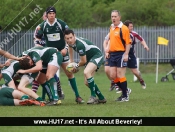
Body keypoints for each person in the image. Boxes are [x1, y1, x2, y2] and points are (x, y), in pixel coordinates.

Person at [35, 6, 84, 104]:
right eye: (50, 14)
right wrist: (43, 48)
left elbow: (68, 37)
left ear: (55, 14)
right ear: (47, 15)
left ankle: (78, 96)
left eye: (53, 13)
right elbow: (38, 38)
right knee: (44, 76)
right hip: (50, 55)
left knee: (69, 74)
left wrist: (65, 48)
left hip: (62, 53)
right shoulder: (43, 25)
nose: (52, 15)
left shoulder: (61, 24)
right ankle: (49, 97)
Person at [64, 29, 106, 104]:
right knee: (87, 82)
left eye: (71, 37)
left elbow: (83, 61)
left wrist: (76, 66)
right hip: (90, 59)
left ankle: (93, 97)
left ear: (74, 36)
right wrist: (71, 61)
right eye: (67, 38)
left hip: (96, 56)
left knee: (86, 72)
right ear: (65, 38)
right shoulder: (70, 43)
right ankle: (101, 98)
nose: (70, 40)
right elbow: (70, 48)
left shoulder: (79, 44)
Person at [106, 10, 131, 102]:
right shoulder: (111, 27)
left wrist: (126, 54)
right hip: (112, 54)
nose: (113, 18)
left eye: (115, 16)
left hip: (121, 53)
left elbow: (128, 43)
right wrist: (108, 50)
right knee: (112, 75)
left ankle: (125, 96)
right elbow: (110, 40)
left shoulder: (124, 28)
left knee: (120, 75)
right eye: (112, 16)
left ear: (119, 17)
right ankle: (126, 90)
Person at [124, 20, 149, 89]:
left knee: (135, 72)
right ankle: (120, 87)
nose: (132, 28)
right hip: (122, 55)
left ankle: (141, 80)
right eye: (130, 26)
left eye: (132, 26)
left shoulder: (134, 34)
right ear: (126, 27)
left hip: (131, 55)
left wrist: (145, 45)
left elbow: (141, 39)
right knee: (120, 71)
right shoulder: (121, 33)